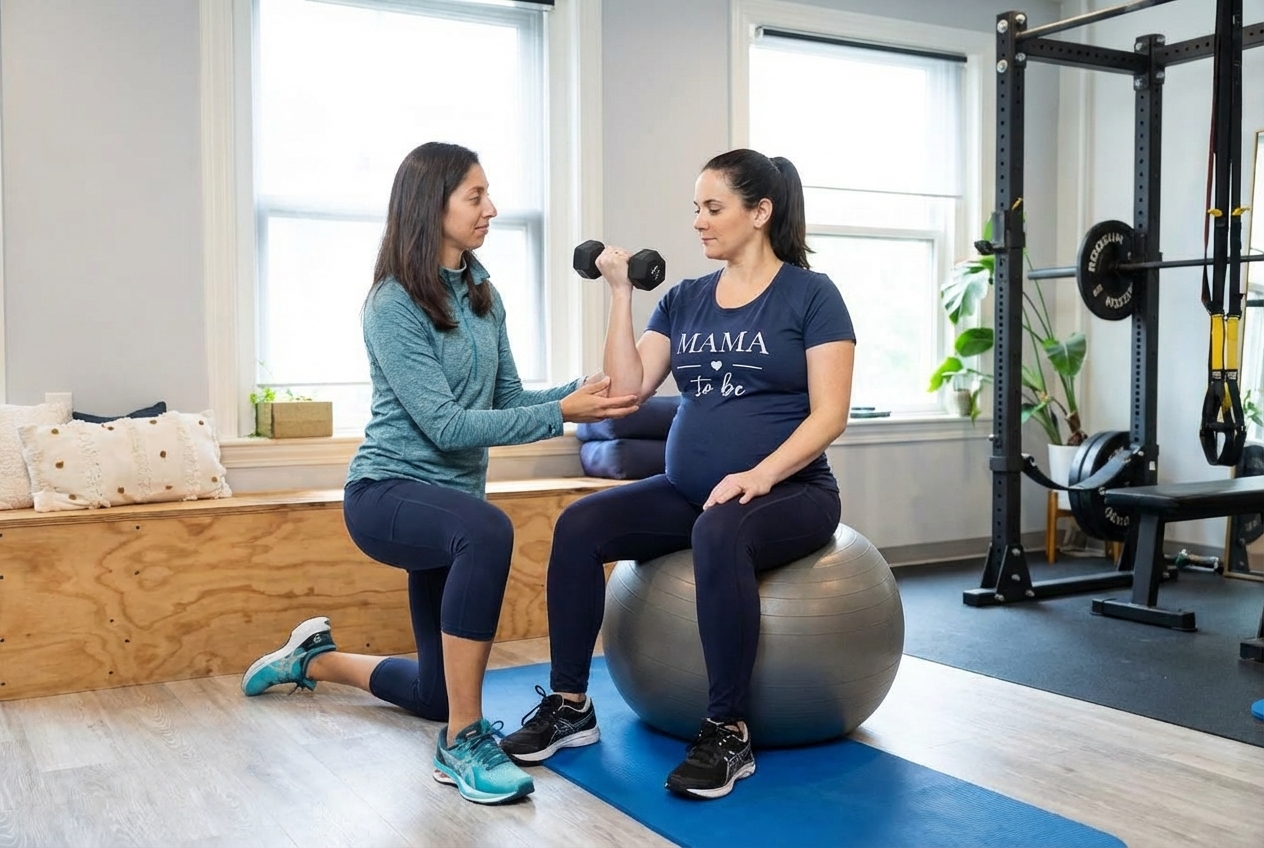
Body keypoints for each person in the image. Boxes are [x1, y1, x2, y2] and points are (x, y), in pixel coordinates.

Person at [239, 141, 639, 806]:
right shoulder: (392, 304)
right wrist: (560, 413)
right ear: (433, 206)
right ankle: (463, 744)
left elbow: (507, 401)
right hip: (386, 494)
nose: (492, 209)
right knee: (486, 531)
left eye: (488, 195)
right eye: (475, 196)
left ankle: (315, 659)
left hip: (450, 511)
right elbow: (446, 425)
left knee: (433, 693)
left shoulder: (484, 296)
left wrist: (581, 394)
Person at [499, 149, 856, 799]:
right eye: (696, 208)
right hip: (691, 491)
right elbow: (627, 390)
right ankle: (570, 704)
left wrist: (762, 473)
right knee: (580, 525)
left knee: (718, 532)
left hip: (792, 492)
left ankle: (727, 732)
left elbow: (832, 414)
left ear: (760, 213)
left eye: (713, 208)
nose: (698, 221)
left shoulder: (811, 295)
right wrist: (619, 293)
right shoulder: (686, 299)